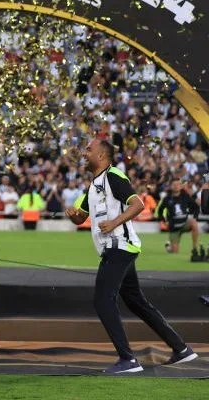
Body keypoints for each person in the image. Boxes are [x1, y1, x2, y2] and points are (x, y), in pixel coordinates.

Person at [65, 139, 198, 373]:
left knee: (103, 300)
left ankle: (128, 360)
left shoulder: (113, 175)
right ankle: (181, 349)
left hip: (119, 246)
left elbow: (137, 205)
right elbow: (81, 218)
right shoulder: (93, 185)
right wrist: (73, 214)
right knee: (136, 301)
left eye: (89, 149)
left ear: (102, 156)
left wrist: (114, 222)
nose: (84, 153)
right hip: (120, 248)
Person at [157, 178, 201, 256]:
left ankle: (194, 249)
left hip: (184, 223)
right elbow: (160, 210)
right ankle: (169, 247)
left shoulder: (185, 196)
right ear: (171, 186)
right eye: (174, 185)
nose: (176, 186)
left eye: (178, 184)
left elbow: (196, 207)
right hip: (174, 227)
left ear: (181, 186)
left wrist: (195, 217)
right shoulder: (167, 198)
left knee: (193, 223)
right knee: (174, 252)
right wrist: (163, 221)